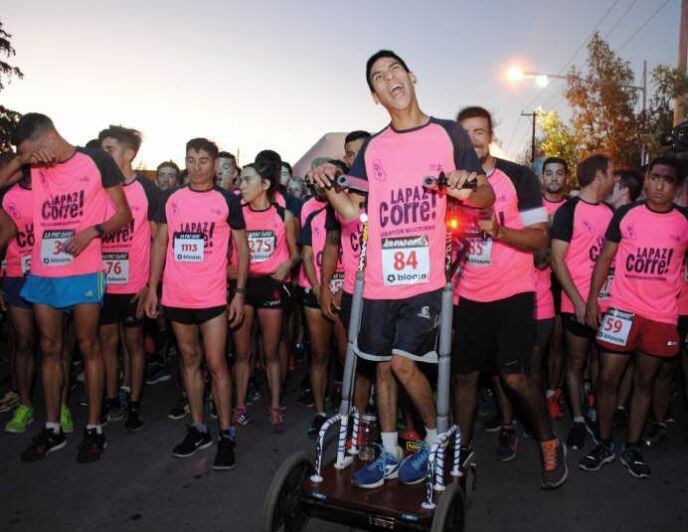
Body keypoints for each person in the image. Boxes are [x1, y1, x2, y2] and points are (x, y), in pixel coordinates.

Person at [309, 50, 493, 489]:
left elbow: (485, 197)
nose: (389, 78)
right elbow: (353, 214)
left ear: (412, 76)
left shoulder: (447, 133)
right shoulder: (373, 147)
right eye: (378, 76)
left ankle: (433, 440)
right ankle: (389, 451)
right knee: (381, 367)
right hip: (377, 279)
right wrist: (329, 186)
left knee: (404, 362)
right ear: (375, 95)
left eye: (395, 69)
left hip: (426, 278)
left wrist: (464, 190)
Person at [1, 113, 132, 462]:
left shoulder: (95, 160)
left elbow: (123, 214)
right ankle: (52, 427)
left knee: (88, 347)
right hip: (45, 270)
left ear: (47, 138)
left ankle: (93, 429)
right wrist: (19, 159)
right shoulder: (32, 166)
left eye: (29, 151)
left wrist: (92, 232)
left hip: (85, 268)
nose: (29, 159)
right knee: (49, 348)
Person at [453, 107, 567, 488]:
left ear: (490, 135)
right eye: (465, 133)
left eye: (480, 131)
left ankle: (549, 442)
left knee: (515, 377)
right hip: (468, 297)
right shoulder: (451, 183)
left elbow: (539, 238)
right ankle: (462, 453)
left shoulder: (519, 177)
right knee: (466, 376)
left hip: (514, 295)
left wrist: (499, 232)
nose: (473, 140)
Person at [143, 137, 248, 470]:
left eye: (203, 160)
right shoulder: (171, 199)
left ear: (215, 164)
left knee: (217, 365)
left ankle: (227, 433)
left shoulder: (227, 200)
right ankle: (199, 427)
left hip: (213, 296)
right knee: (188, 359)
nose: (196, 166)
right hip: (176, 294)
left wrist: (240, 292)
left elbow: (242, 248)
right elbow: (160, 243)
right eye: (191, 159)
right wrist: (151, 288)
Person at [580, 157, 687, 478]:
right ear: (647, 179)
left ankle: (632, 446)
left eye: (667, 180)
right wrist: (591, 301)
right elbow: (605, 258)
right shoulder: (627, 214)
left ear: (676, 186)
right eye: (654, 177)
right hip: (622, 310)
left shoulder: (684, 221)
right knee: (607, 380)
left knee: (645, 382)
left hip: (661, 315)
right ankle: (603, 442)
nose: (659, 185)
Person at [97, 125, 162, 431]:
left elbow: (158, 241)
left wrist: (151, 285)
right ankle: (111, 399)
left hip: (135, 284)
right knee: (107, 343)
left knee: (134, 343)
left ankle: (134, 403)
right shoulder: (96, 187)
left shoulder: (148, 191)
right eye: (102, 149)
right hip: (101, 284)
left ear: (129, 154)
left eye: (109, 149)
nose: (103, 155)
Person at [551, 154, 615, 450]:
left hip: (608, 304)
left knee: (602, 365)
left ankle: (595, 412)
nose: (614, 179)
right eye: (611, 173)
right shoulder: (568, 211)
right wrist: (577, 301)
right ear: (599, 176)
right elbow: (557, 261)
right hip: (574, 303)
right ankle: (577, 420)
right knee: (575, 362)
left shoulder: (612, 212)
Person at [231, 160, 299, 431]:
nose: (241, 185)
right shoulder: (236, 213)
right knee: (242, 352)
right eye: (241, 180)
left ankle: (274, 406)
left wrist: (287, 264)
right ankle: (239, 406)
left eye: (247, 180)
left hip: (271, 286)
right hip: (243, 287)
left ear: (266, 185)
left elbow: (295, 254)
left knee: (270, 352)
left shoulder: (284, 216)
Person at [297, 163, 348, 436]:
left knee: (346, 356)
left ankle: (349, 412)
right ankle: (319, 413)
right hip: (316, 294)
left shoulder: (352, 213)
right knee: (319, 355)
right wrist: (318, 286)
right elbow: (306, 255)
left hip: (345, 294)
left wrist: (340, 288)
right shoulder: (313, 216)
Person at [540, 157, 570, 420]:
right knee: (533, 344)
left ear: (566, 179)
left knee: (557, 343)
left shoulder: (572, 208)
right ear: (542, 177)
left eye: (559, 173)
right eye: (549, 173)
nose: (553, 178)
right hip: (534, 280)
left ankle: (552, 394)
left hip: (561, 281)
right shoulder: (530, 204)